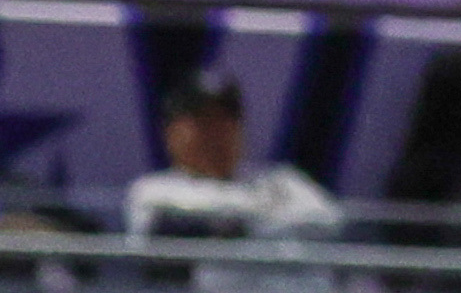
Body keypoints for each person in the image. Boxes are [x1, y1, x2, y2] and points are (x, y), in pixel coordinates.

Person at [118, 69, 339, 242]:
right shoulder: (153, 190)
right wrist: (264, 220)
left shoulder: (282, 181)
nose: (216, 133)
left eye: (225, 121)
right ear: (172, 133)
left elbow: (328, 223)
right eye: (202, 122)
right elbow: (166, 237)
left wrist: (240, 226)